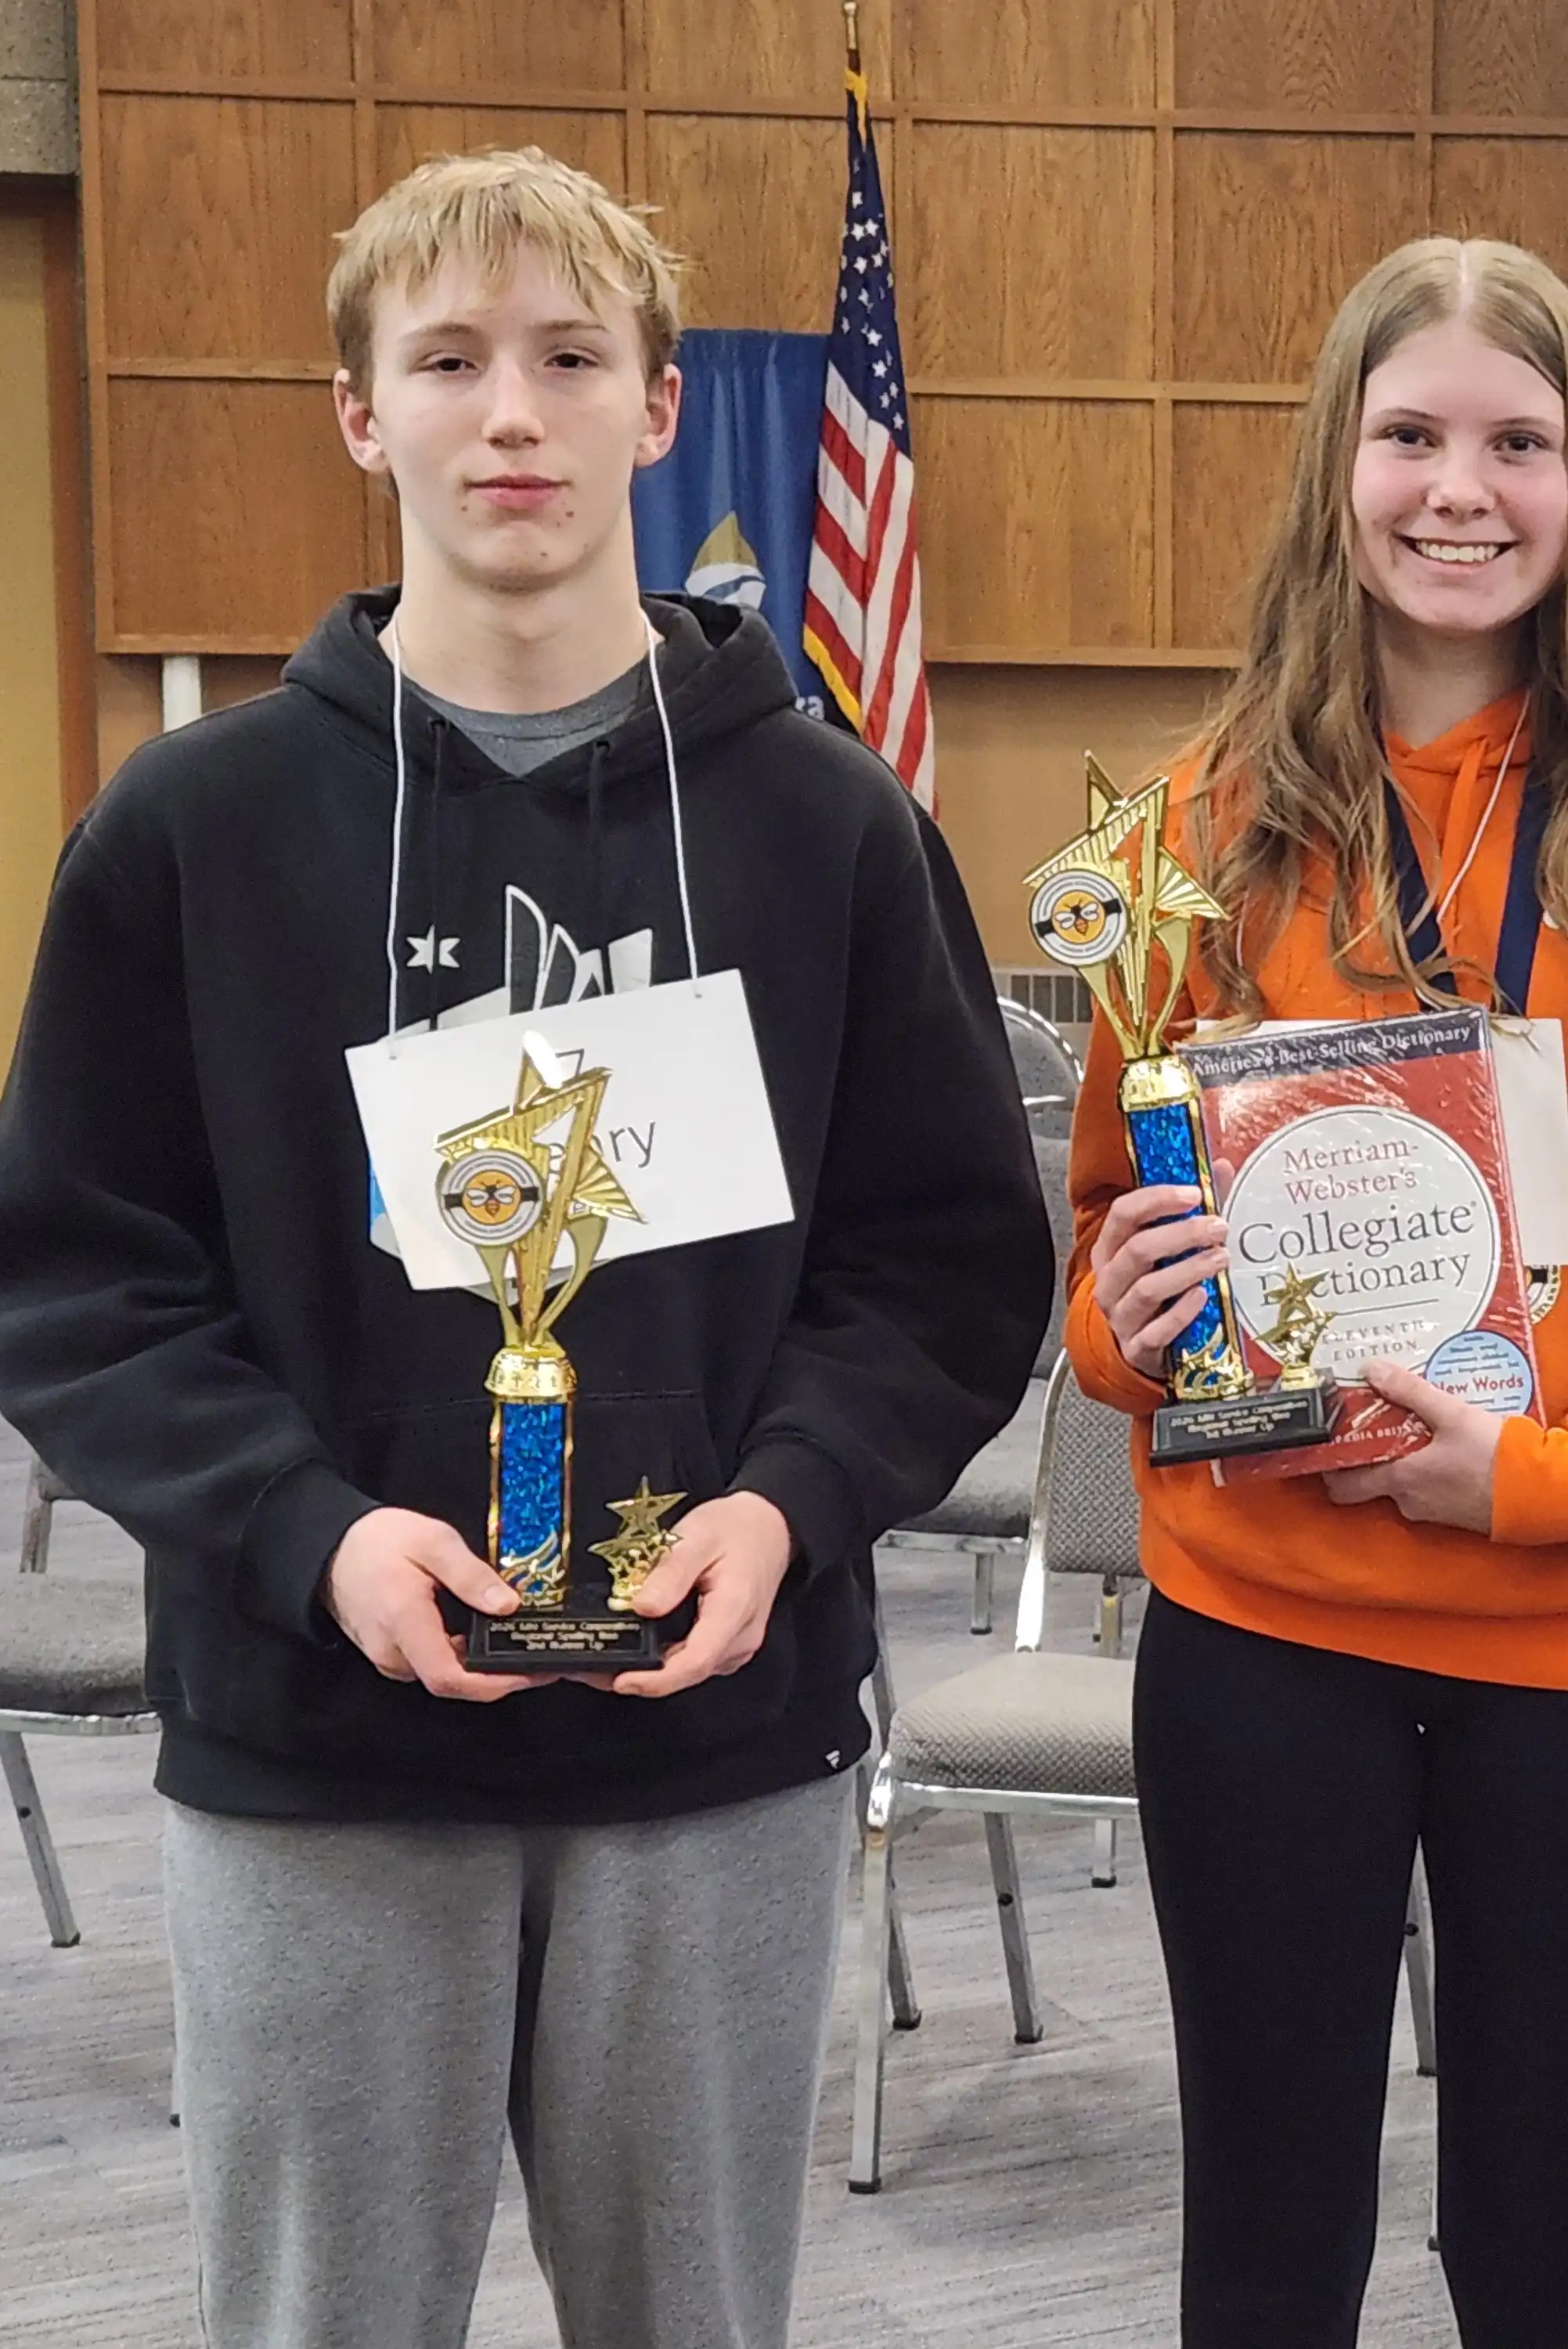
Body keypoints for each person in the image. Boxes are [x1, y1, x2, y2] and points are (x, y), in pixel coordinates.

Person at [0, 150, 1052, 2349]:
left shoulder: (831, 824)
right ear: (359, 416)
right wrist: (308, 1537)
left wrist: (784, 1509)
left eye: (572, 360)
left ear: (661, 412)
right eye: (449, 361)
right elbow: (83, 1277)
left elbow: (945, 1261)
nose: (512, 415)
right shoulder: (189, 832)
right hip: (316, 1749)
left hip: (715, 1743)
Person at [1063, 235, 1568, 2347]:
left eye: (1517, 442)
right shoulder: (1194, 834)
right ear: (1337, 464)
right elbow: (1099, 1242)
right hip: (1261, 1638)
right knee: (1262, 2234)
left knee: (1542, 2242)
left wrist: (1548, 1477)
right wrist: (1129, 1325)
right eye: (1410, 433)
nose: (1458, 487)